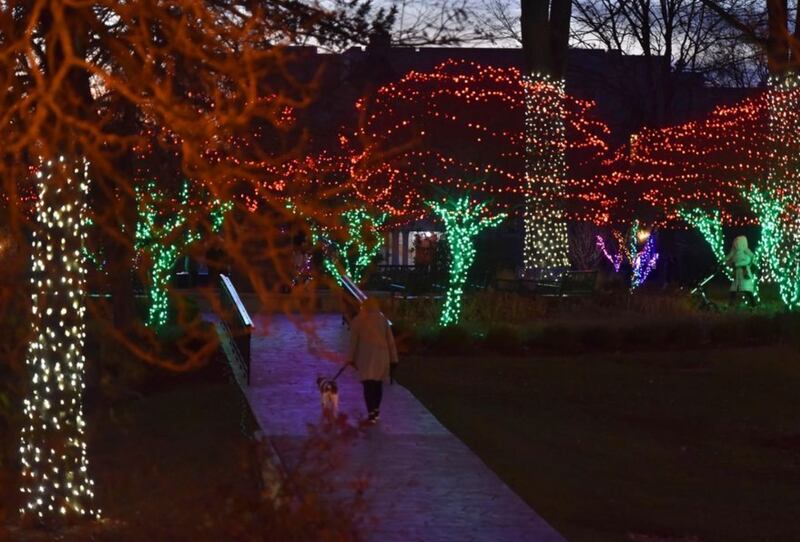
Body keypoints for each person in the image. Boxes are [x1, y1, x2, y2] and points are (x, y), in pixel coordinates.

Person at [347, 298, 398, 423]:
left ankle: (371, 412)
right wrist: (394, 358)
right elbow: (390, 341)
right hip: (381, 357)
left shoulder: (358, 321)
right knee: (377, 385)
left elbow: (353, 343)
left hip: (365, 358)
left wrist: (351, 358)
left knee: (368, 386)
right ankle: (376, 410)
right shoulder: (383, 320)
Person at [725, 235, 756, 306]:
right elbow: (730, 260)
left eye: (739, 243)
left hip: (744, 273)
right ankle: (731, 303)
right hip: (737, 273)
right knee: (734, 289)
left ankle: (753, 303)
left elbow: (747, 260)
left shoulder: (746, 253)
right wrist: (727, 262)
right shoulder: (734, 253)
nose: (737, 244)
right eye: (736, 243)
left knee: (746, 289)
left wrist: (737, 264)